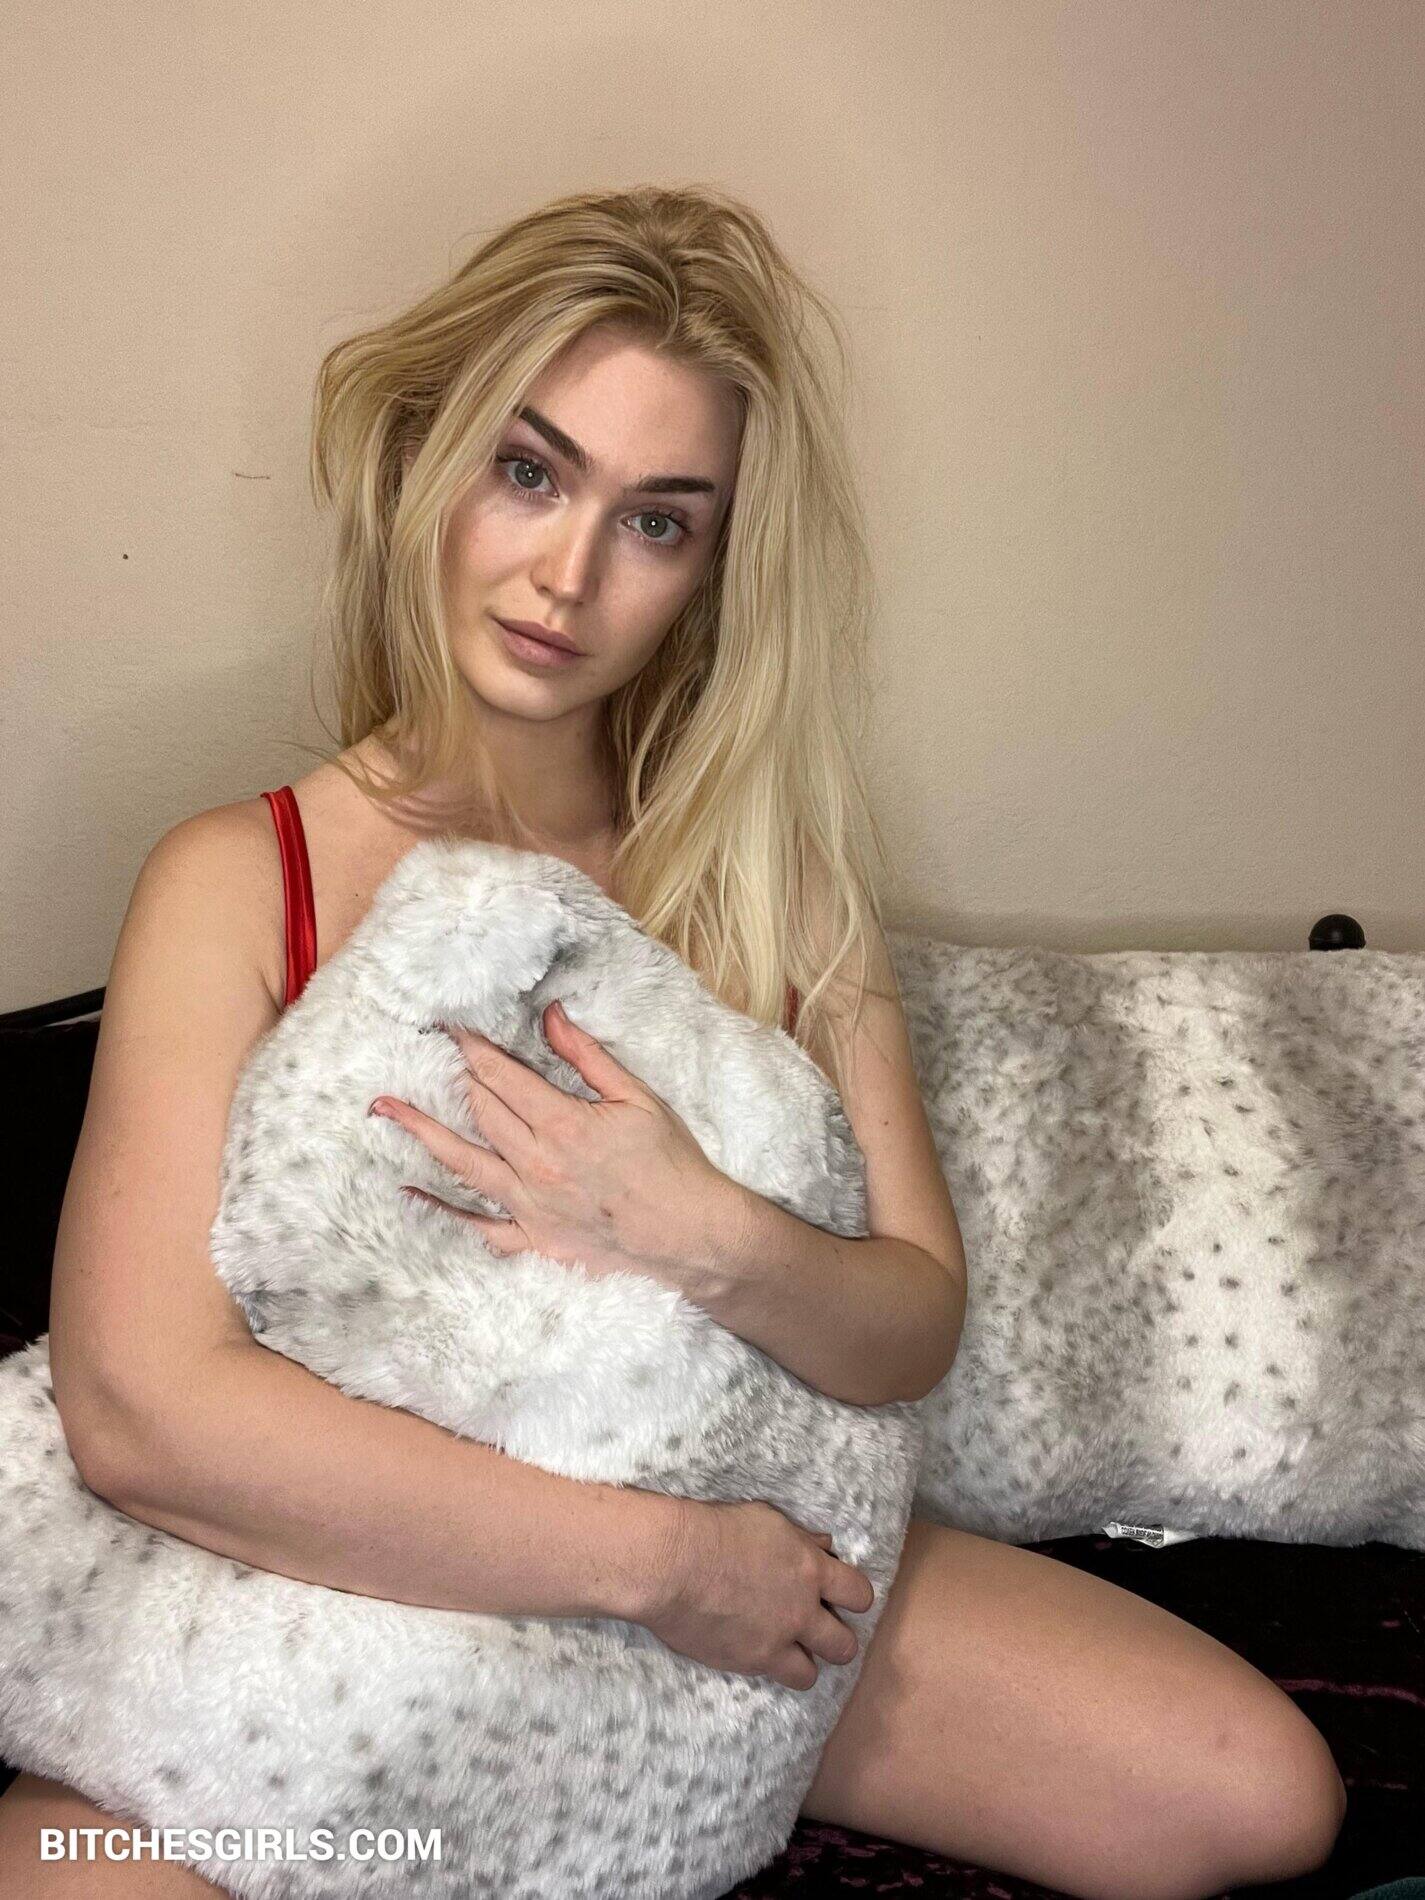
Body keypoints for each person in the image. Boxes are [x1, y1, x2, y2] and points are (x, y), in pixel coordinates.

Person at [0, 185, 1344, 1898]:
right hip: (367, 1555)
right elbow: (142, 1413)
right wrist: (669, 1569)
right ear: (423, 458)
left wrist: (703, 1232)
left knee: (1252, 1795)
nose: (568, 574)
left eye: (655, 521)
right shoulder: (240, 876)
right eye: (529, 471)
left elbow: (908, 1327)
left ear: (712, 570)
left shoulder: (768, 883)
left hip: (736, 1522)